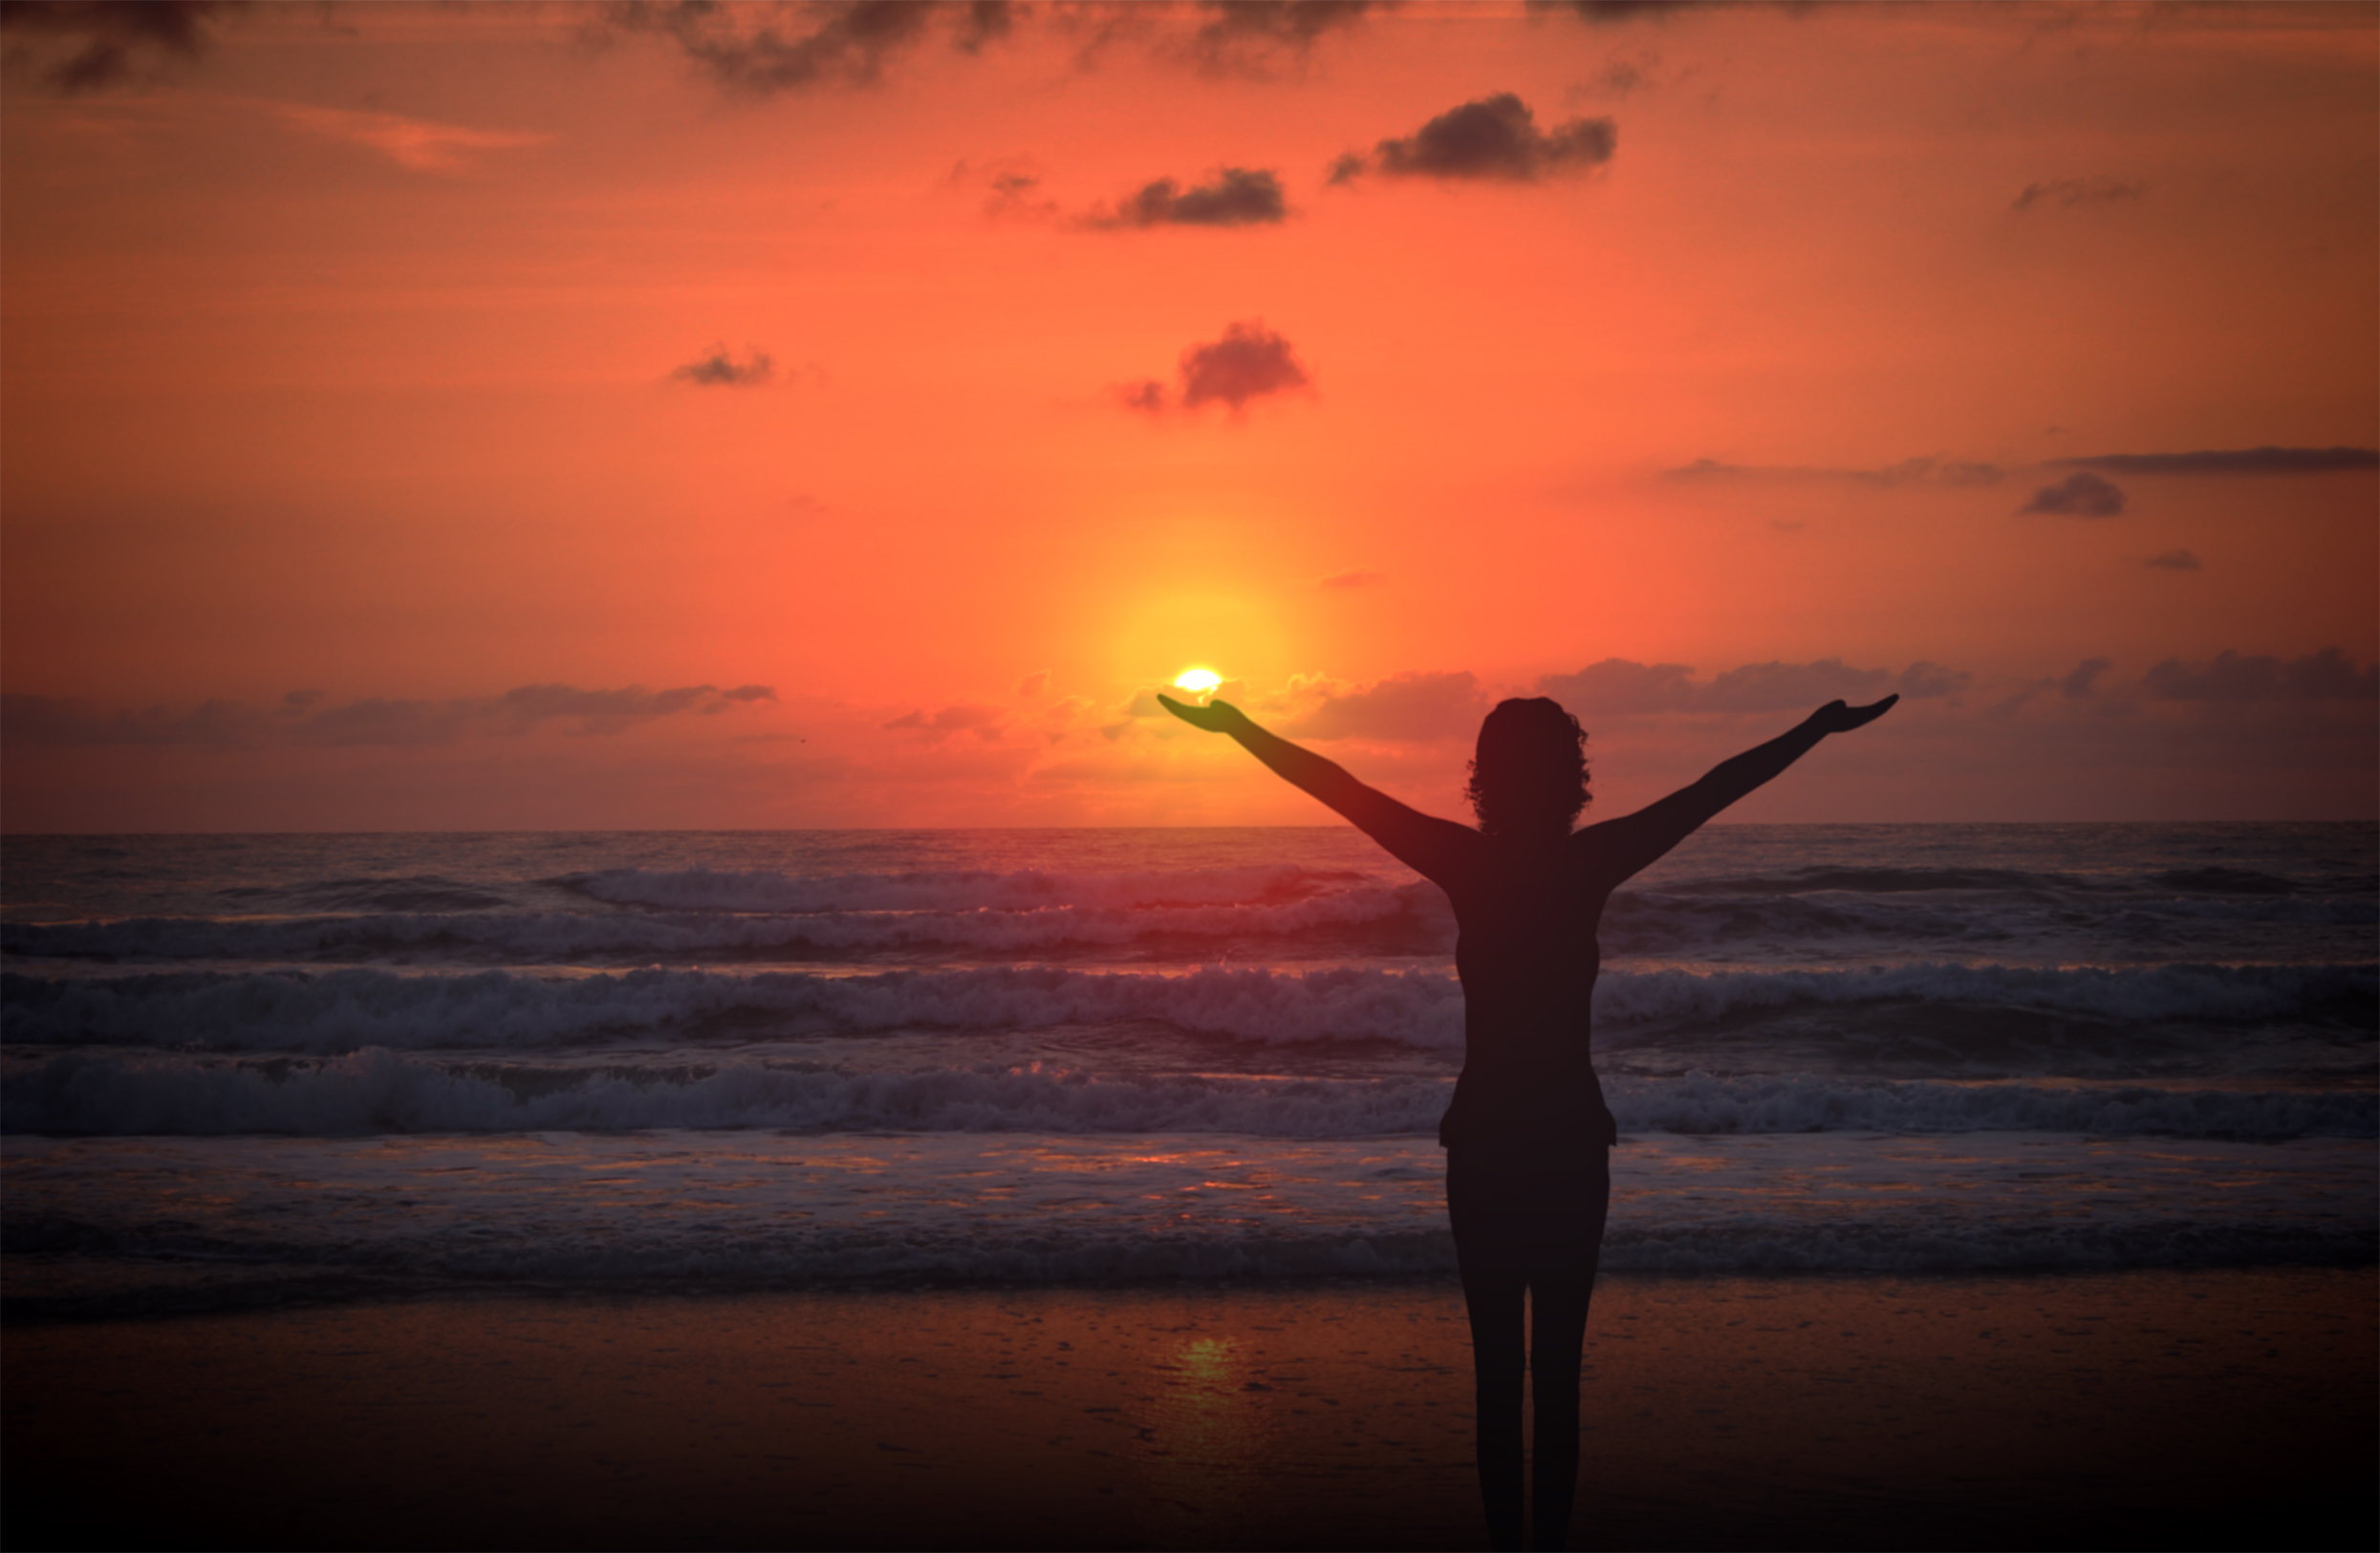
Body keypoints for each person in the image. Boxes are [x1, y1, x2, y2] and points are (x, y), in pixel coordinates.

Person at [1158, 687, 1896, 1551]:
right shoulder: (1591, 862)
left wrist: (1240, 727)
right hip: (1569, 1147)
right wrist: (1811, 727)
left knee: (1499, 1381)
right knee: (1555, 1383)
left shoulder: (1467, 863)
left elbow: (1340, 787)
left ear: (1487, 780)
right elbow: (1714, 789)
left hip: (1487, 1149)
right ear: (1571, 778)